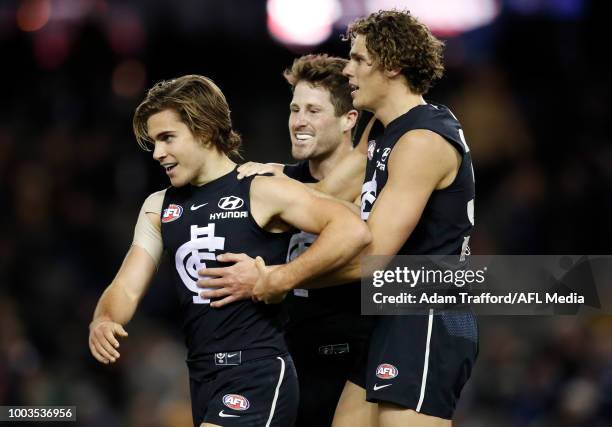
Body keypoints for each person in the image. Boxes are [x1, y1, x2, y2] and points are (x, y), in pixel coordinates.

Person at [197, 10, 478, 427]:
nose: (348, 69)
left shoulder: (421, 141)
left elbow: (374, 254)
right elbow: (325, 195)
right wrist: (265, 185)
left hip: (428, 310)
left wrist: (275, 279)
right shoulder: (386, 128)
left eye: (359, 60)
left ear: (392, 65)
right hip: (391, 316)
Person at [87, 74, 371, 427]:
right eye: (154, 142)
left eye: (167, 138)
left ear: (204, 130)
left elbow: (351, 230)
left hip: (258, 372)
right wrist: (105, 318)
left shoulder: (261, 189)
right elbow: (127, 286)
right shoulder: (158, 206)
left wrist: (279, 277)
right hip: (203, 377)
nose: (158, 153)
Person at [239, 54, 376, 426]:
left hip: (364, 363)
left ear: (349, 119)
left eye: (313, 111)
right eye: (294, 109)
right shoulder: (270, 185)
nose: (299, 121)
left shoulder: (383, 188)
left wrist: (280, 276)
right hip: (293, 366)